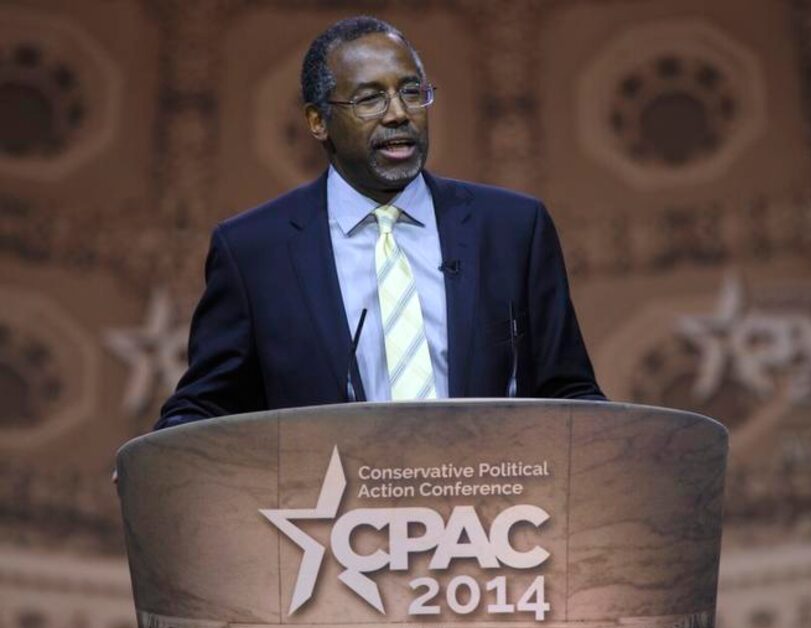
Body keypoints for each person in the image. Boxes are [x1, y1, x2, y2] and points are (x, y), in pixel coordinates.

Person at [154, 16, 604, 431]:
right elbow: (205, 406)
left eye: (411, 92)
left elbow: (570, 393)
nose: (398, 113)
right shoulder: (253, 251)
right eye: (370, 98)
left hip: (495, 507)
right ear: (317, 121)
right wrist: (160, 461)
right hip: (328, 510)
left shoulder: (512, 230)